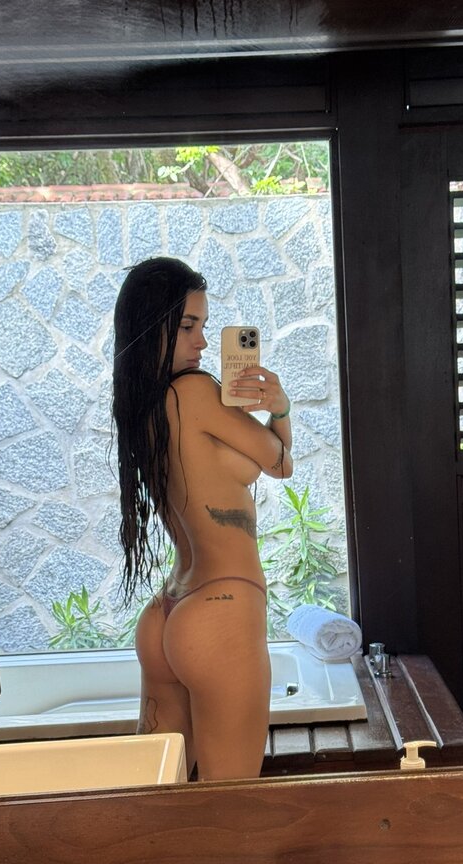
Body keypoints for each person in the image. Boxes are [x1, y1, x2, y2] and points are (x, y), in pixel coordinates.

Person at [112, 256, 293, 780]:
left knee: (157, 801)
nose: (202, 342)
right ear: (153, 327)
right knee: (231, 810)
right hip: (221, 611)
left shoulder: (142, 407)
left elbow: (221, 467)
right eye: (188, 326)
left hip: (168, 612)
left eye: (204, 326)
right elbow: (280, 461)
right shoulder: (195, 391)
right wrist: (279, 407)